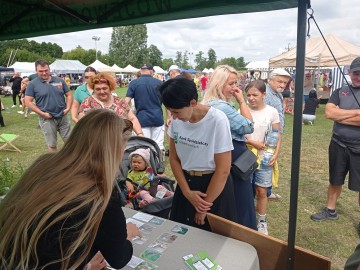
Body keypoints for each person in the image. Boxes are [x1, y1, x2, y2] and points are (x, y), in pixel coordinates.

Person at [0, 109, 141, 270]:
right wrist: (128, 233)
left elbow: (51, 240)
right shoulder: (100, 192)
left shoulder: (44, 164)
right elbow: (119, 258)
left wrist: (86, 266)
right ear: (114, 150)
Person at [160, 77, 237, 231]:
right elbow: (174, 159)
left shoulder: (217, 120)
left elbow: (223, 170)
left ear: (193, 103)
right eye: (170, 112)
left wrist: (203, 208)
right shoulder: (177, 121)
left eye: (176, 112)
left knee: (212, 240)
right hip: (186, 183)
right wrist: (187, 192)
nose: (174, 117)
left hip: (213, 187)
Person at [202, 65, 256, 230]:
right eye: (231, 84)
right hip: (233, 155)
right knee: (241, 199)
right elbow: (249, 126)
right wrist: (241, 101)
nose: (235, 88)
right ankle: (242, 231)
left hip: (218, 155)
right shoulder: (222, 107)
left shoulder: (207, 104)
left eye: (236, 83)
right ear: (219, 85)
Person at [311, 57, 360, 222]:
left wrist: (341, 115)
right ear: (349, 72)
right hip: (338, 144)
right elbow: (330, 114)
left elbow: (336, 115)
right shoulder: (340, 91)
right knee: (335, 179)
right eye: (356, 73)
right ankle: (330, 210)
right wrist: (356, 114)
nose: (358, 77)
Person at [245, 80, 282, 235]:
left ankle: (261, 221)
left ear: (264, 94)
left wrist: (275, 152)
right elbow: (238, 135)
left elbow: (277, 134)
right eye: (248, 95)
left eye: (255, 94)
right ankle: (246, 219)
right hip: (246, 157)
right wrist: (253, 142)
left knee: (262, 191)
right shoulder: (243, 110)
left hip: (265, 157)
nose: (251, 98)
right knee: (247, 191)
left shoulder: (272, 112)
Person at [25, 60, 73, 152]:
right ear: (36, 70)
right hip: (47, 119)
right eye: (41, 71)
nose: (44, 73)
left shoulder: (59, 81)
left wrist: (68, 108)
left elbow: (69, 95)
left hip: (63, 116)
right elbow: (28, 102)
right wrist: (42, 114)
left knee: (70, 142)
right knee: (52, 145)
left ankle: (72, 163)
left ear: (49, 69)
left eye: (46, 70)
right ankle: (54, 165)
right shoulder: (32, 84)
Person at [79, 72, 143, 136]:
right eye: (98, 89)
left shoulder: (120, 101)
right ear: (94, 90)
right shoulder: (87, 103)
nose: (102, 92)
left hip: (122, 141)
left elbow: (132, 118)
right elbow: (81, 126)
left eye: (104, 88)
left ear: (110, 88)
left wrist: (140, 134)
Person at [264, 68, 291, 199]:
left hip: (274, 135)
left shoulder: (277, 93)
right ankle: (264, 192)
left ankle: (266, 191)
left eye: (285, 83)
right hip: (268, 136)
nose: (282, 85)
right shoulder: (266, 94)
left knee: (271, 161)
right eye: (279, 81)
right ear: (270, 80)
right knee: (267, 162)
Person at [125, 63, 164, 151]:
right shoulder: (159, 83)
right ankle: (158, 163)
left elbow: (126, 102)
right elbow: (167, 102)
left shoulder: (134, 83)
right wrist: (169, 117)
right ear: (151, 71)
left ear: (141, 71)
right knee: (159, 144)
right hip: (157, 117)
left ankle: (146, 163)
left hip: (141, 118)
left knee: (144, 145)